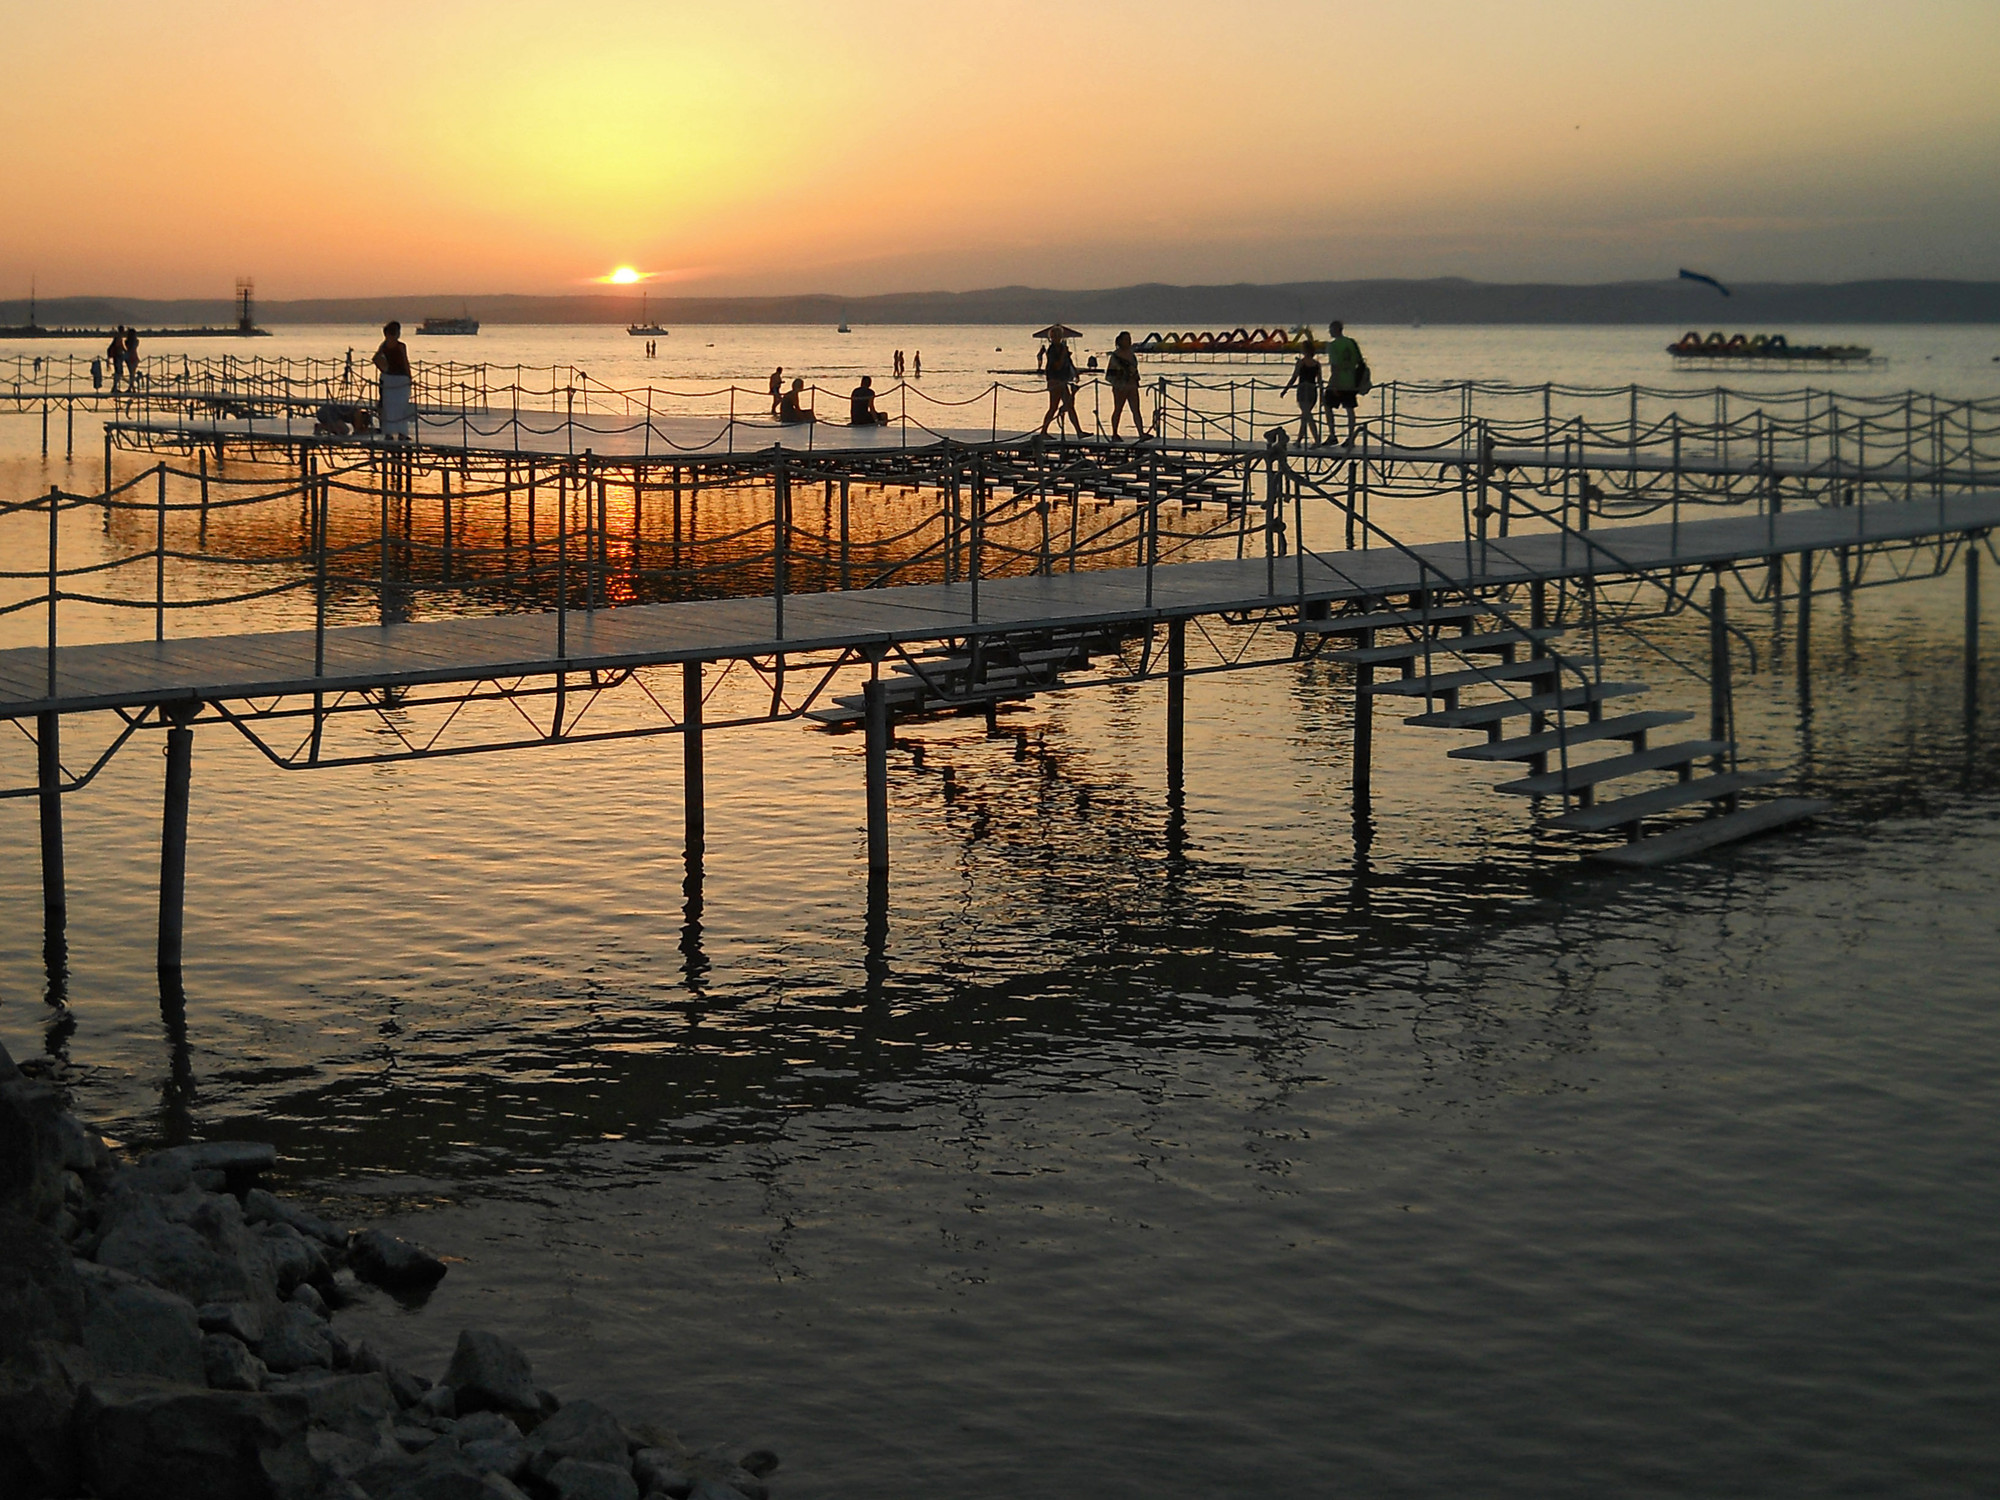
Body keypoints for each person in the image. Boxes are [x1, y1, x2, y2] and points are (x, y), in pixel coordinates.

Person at [1323, 320, 1367, 444]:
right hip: (1351, 381)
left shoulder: (1333, 346)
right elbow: (1360, 361)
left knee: (1327, 405)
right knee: (1350, 409)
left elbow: (1335, 367)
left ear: (1336, 330)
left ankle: (1332, 435)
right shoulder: (1351, 343)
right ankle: (1351, 437)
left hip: (1338, 381)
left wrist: (1333, 384)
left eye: (1331, 329)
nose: (1329, 332)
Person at [372, 319, 413, 439]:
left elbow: (375, 358)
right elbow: (405, 362)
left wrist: (384, 369)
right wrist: (409, 376)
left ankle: (388, 433)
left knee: (389, 406)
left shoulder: (384, 345)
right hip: (401, 378)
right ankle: (402, 433)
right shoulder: (400, 346)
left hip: (389, 377)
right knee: (401, 407)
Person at [1038, 336, 1085, 438]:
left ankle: (1079, 431)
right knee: (1053, 407)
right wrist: (1063, 354)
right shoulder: (1052, 350)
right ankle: (1043, 431)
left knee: (1070, 406)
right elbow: (1057, 365)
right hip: (1055, 380)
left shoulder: (1063, 348)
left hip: (1062, 380)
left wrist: (1075, 371)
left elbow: (1068, 361)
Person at [1281, 337, 1323, 445]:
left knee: (1307, 416)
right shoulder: (1317, 364)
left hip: (1303, 390)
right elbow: (1320, 381)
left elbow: (1294, 377)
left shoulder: (1301, 363)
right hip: (1312, 391)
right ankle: (1299, 439)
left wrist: (1285, 390)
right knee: (1305, 415)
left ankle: (1317, 439)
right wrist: (1322, 396)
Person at [1107, 331, 1147, 440]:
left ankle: (1141, 433)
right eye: (1126, 339)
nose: (1129, 341)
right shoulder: (1115, 356)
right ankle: (1114, 433)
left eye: (1129, 339)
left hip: (1132, 385)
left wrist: (1135, 378)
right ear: (1120, 341)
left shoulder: (1131, 355)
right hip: (1120, 386)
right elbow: (1110, 374)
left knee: (1136, 410)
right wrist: (1123, 376)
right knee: (1118, 409)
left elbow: (1135, 370)